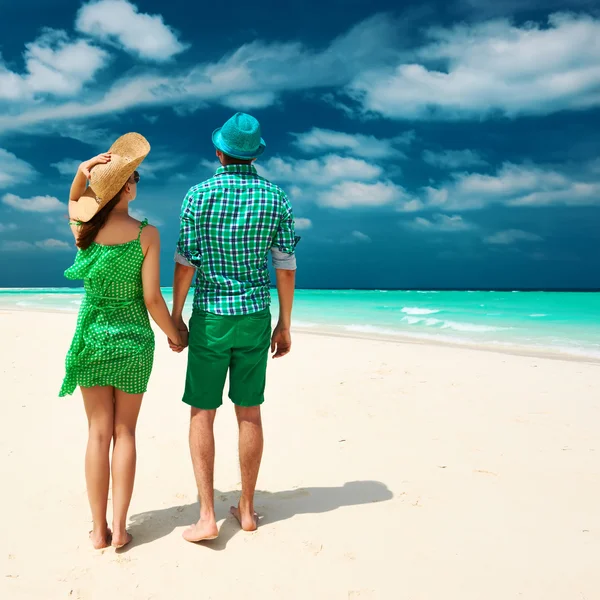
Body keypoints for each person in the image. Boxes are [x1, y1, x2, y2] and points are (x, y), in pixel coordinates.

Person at [171, 112, 299, 542]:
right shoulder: (276, 197)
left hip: (211, 316)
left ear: (220, 151)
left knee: (202, 413)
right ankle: (245, 510)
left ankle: (207, 515)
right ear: (255, 154)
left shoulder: (198, 195)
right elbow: (285, 266)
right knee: (249, 412)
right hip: (255, 315)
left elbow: (186, 261)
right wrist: (284, 323)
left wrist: (176, 316)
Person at [60, 133, 183, 550]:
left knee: (97, 433)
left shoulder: (84, 229)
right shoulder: (146, 235)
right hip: (132, 340)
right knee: (125, 432)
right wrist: (175, 334)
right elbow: (152, 298)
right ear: (127, 187)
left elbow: (74, 202)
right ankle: (120, 528)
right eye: (133, 178)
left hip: (92, 335)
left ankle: (97, 531)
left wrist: (82, 172)